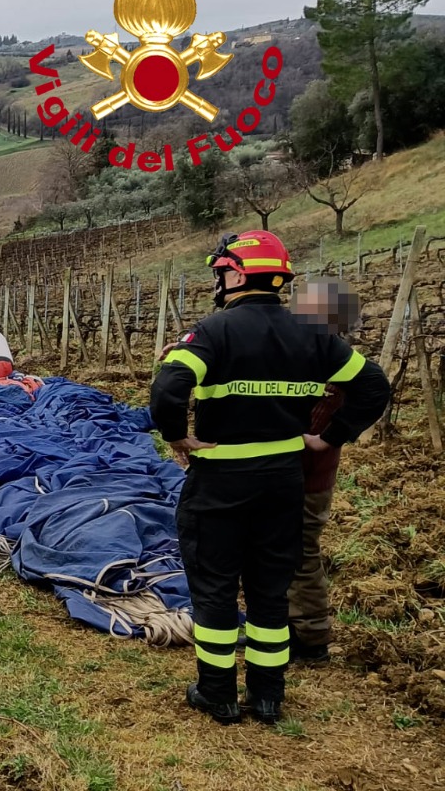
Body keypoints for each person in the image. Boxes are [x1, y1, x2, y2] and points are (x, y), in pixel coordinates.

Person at [150, 231, 389, 725]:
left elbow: (169, 388)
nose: (218, 281)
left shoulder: (213, 331)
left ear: (237, 274)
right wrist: (330, 436)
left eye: (221, 272)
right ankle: (268, 695)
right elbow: (373, 386)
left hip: (220, 481)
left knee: (214, 585)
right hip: (283, 480)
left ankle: (216, 692)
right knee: (269, 588)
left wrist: (178, 437)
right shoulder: (314, 335)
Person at [286, 278, 366, 663]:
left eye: (305, 309)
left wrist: (324, 438)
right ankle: (286, 625)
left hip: (308, 478)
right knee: (283, 551)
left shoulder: (335, 366)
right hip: (293, 475)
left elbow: (369, 396)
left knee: (300, 554)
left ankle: (311, 639)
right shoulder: (311, 354)